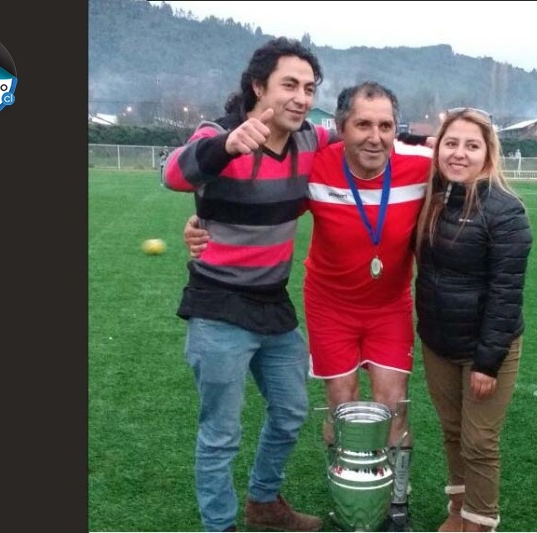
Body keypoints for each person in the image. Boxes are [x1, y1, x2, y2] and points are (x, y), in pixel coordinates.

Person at [184, 82, 432, 531]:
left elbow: (469, 167)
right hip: (330, 305)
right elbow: (248, 195)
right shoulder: (314, 166)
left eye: (385, 126)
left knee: (393, 404)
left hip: (390, 305)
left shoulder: (421, 166)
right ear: (340, 128)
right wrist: (204, 223)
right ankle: (347, 500)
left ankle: (395, 504)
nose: (375, 136)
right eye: (362, 124)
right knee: (341, 405)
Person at [161, 36, 338, 533]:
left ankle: (264, 503)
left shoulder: (310, 141)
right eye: (290, 85)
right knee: (220, 433)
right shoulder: (217, 133)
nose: (301, 97)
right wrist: (224, 145)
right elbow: (171, 174)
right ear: (259, 86)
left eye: (309, 87)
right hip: (218, 304)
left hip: (272, 304)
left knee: (291, 409)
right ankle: (221, 526)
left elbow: (362, 140)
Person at [413, 108, 533, 532]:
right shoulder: (433, 198)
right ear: (438, 148)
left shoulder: (506, 212)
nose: (459, 153)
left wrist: (487, 361)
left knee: (479, 440)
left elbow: (506, 293)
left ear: (488, 153)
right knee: (451, 430)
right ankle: (458, 511)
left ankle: (480, 523)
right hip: (437, 341)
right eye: (451, 143)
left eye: (471, 145)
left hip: (484, 348)